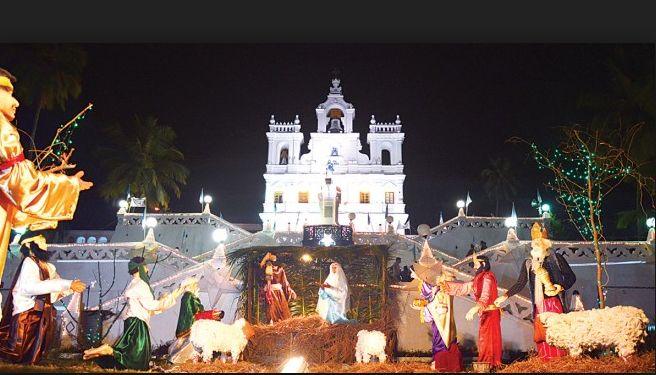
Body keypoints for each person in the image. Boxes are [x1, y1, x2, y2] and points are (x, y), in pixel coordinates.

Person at [0, 68, 92, 282]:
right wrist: (70, 185)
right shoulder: (4, 131)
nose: (16, 102)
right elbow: (22, 185)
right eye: (7, 92)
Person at [83, 257, 190, 370]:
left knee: (130, 353)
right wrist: (173, 296)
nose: (147, 269)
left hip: (130, 322)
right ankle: (108, 350)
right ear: (140, 268)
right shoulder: (142, 286)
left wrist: (165, 299)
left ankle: (104, 353)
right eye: (145, 266)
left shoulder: (132, 284)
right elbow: (151, 306)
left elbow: (145, 308)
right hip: (138, 324)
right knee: (138, 361)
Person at [0, 230, 86, 364]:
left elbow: (52, 290)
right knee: (18, 351)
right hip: (27, 314)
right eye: (40, 241)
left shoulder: (46, 266)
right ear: (29, 245)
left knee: (35, 353)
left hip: (41, 313)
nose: (44, 245)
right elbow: (31, 287)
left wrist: (69, 287)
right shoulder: (29, 262)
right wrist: (68, 284)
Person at [494, 223, 576, 361]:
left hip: (554, 303)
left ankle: (559, 362)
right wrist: (505, 296)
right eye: (534, 242)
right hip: (538, 305)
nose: (536, 245)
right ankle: (545, 361)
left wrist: (559, 286)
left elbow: (571, 277)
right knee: (541, 335)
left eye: (539, 242)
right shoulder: (528, 263)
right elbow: (520, 283)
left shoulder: (556, 259)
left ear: (545, 243)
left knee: (555, 333)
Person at [440, 252, 502, 368]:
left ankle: (491, 364)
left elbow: (485, 295)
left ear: (483, 264)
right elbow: (464, 288)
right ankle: (487, 364)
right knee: (484, 340)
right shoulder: (478, 278)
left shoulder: (488, 277)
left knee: (488, 341)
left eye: (475, 264)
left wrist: (475, 308)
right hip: (485, 313)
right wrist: (446, 286)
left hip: (491, 313)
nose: (474, 267)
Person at [412, 240, 462, 372]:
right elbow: (427, 296)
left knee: (442, 338)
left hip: (443, 318)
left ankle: (442, 362)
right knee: (438, 337)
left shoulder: (442, 286)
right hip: (438, 318)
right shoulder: (434, 286)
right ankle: (439, 360)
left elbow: (434, 298)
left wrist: (426, 302)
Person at [168, 279, 224, 364]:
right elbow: (193, 314)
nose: (197, 287)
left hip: (196, 326)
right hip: (191, 327)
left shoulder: (191, 297)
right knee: (191, 346)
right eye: (195, 285)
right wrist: (211, 314)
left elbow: (198, 313)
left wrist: (211, 314)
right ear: (192, 286)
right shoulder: (188, 296)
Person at [259, 252, 296, 324]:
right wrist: (265, 258)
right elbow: (260, 268)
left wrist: (290, 291)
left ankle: (281, 325)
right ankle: (273, 325)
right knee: (272, 310)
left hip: (278, 293)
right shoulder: (265, 269)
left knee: (281, 310)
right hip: (270, 293)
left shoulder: (280, 269)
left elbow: (285, 283)